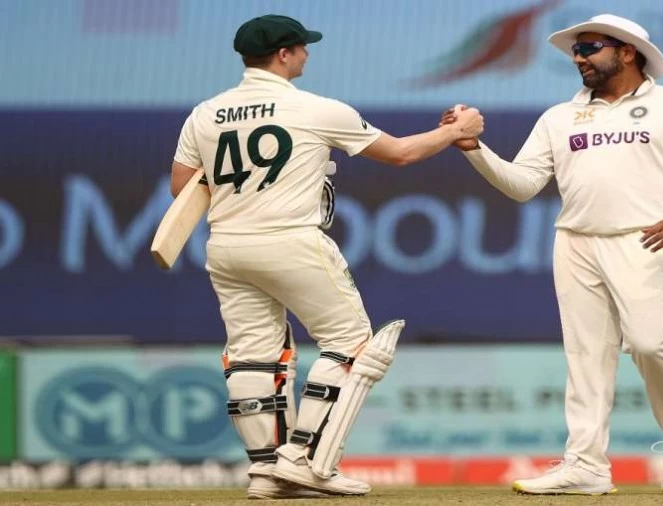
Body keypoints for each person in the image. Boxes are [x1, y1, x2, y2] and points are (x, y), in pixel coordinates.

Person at [169, 14, 483, 499]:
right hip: (291, 239)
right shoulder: (315, 108)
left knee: (253, 357)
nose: (307, 55)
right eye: (302, 48)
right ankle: (305, 460)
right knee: (353, 344)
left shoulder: (204, 114)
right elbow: (400, 153)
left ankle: (266, 471)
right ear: (284, 54)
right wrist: (456, 130)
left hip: (226, 244)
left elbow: (183, 189)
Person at [441, 13, 663, 495]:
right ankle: (586, 465)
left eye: (589, 48)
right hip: (576, 241)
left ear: (627, 52)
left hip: (646, 238)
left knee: (650, 344)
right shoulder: (559, 117)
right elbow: (523, 184)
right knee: (586, 356)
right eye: (575, 51)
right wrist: (474, 148)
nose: (578, 58)